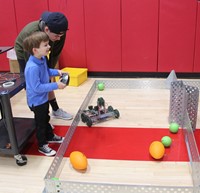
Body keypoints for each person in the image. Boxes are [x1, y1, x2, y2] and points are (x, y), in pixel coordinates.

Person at [14, 11, 73, 120]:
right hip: (25, 50)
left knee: (47, 78)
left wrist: (52, 71)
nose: (59, 38)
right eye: (57, 36)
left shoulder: (58, 32)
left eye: (61, 35)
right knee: (32, 83)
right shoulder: (31, 34)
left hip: (42, 49)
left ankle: (55, 110)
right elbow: (35, 78)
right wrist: (52, 82)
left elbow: (55, 53)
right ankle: (39, 114)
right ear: (46, 30)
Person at [23, 31, 67, 156]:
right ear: (35, 50)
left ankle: (50, 136)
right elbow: (36, 88)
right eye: (45, 45)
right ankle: (42, 145)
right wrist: (56, 85)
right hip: (36, 102)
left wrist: (57, 72)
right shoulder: (32, 67)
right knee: (41, 123)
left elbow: (47, 71)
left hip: (42, 99)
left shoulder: (41, 59)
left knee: (45, 118)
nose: (49, 47)